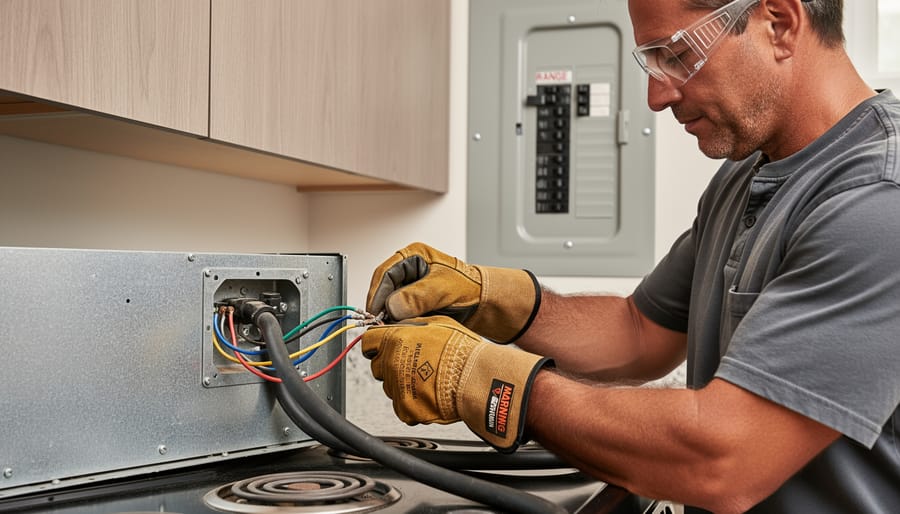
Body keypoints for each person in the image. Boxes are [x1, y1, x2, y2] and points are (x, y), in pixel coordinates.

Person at [360, 0, 900, 512]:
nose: (655, 97)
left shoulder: (878, 198)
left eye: (677, 55)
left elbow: (723, 459)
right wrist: (498, 300)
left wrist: (483, 379)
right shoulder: (743, 177)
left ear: (778, 23)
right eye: (650, 61)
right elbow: (639, 331)